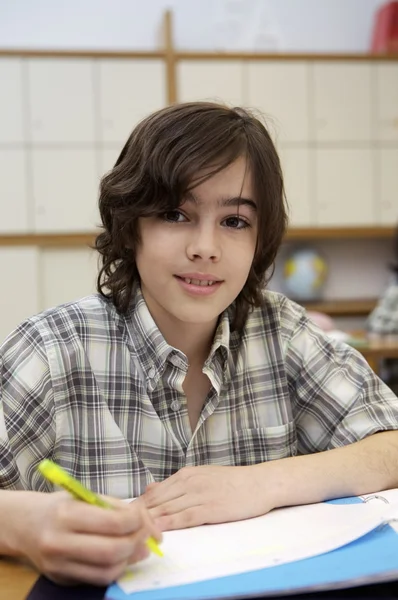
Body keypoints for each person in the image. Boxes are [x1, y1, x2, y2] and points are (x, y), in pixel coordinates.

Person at [1, 102, 398, 587]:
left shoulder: (283, 333)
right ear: (131, 228)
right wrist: (22, 524)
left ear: (260, 240)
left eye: (234, 221)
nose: (205, 247)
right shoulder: (52, 348)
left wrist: (262, 483)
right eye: (175, 213)